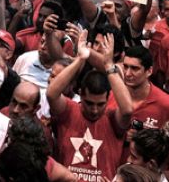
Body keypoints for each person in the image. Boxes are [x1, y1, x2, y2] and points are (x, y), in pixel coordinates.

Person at [47, 29, 132, 181]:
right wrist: (80, 59)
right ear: (81, 94)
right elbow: (51, 94)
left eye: (100, 104)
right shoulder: (69, 110)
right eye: (89, 103)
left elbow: (127, 110)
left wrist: (108, 65)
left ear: (108, 98)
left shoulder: (113, 119)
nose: (94, 110)